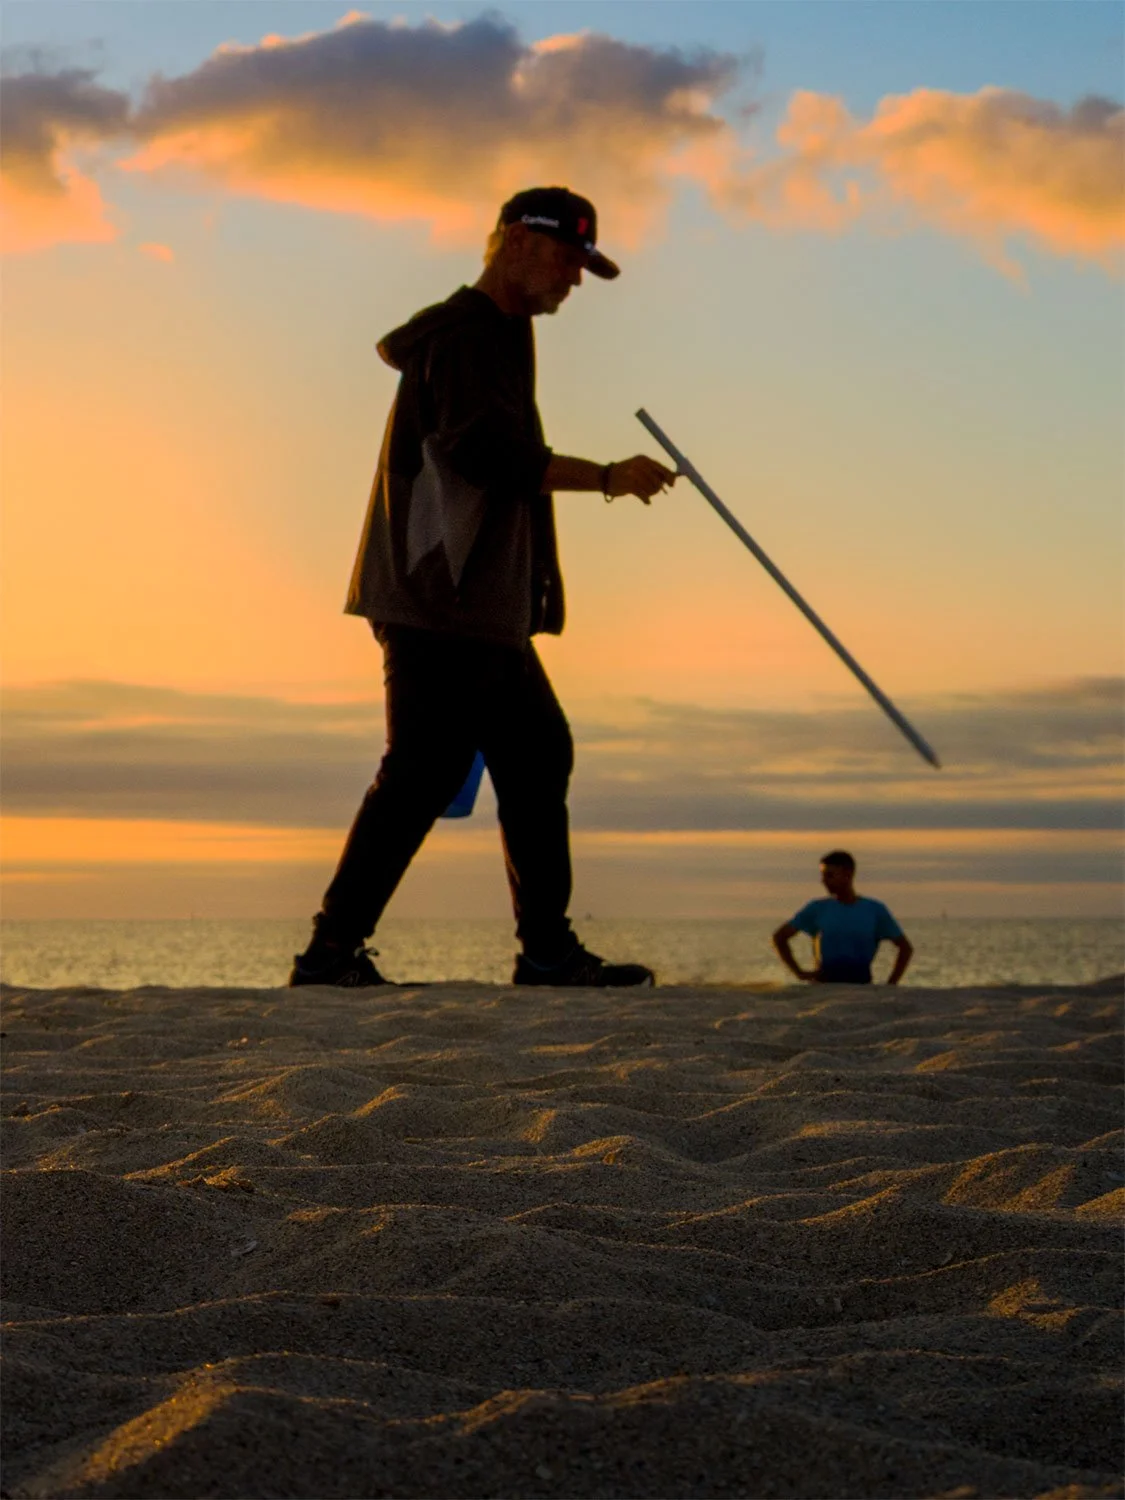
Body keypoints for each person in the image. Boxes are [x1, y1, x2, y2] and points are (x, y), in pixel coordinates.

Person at [290, 186, 677, 989]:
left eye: (582, 264)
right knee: (424, 773)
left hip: (476, 608)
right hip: (440, 597)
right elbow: (484, 455)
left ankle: (541, 952)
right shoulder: (469, 335)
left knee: (534, 756)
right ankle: (333, 953)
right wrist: (607, 476)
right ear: (513, 244)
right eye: (568, 258)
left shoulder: (504, 333)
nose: (574, 278)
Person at [772, 850, 914, 985]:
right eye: (823, 876)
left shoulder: (874, 909)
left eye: (830, 875)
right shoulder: (818, 908)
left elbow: (905, 948)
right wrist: (799, 973)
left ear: (848, 874)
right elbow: (780, 937)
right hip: (824, 985)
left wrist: (892, 983)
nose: (823, 881)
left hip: (861, 985)